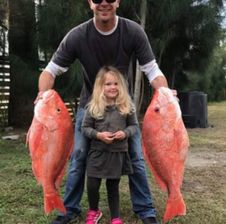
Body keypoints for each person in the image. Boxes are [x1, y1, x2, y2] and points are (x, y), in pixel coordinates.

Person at [36, 1, 171, 224]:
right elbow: (51, 70)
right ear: (90, 3)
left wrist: (166, 94)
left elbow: (151, 69)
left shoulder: (133, 31)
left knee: (136, 157)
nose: (104, 3)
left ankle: (145, 209)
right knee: (78, 156)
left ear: (118, 1)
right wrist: (42, 95)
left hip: (123, 107)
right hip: (89, 107)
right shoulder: (77, 36)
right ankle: (69, 208)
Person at [81, 66, 138, 224]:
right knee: (92, 185)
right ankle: (94, 211)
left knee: (113, 187)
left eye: (116, 83)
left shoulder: (127, 106)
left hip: (117, 153)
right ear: (100, 86)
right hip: (97, 152)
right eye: (108, 84)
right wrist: (98, 135)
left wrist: (125, 133)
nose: (112, 87)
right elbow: (85, 128)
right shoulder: (93, 107)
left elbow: (134, 126)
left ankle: (115, 217)